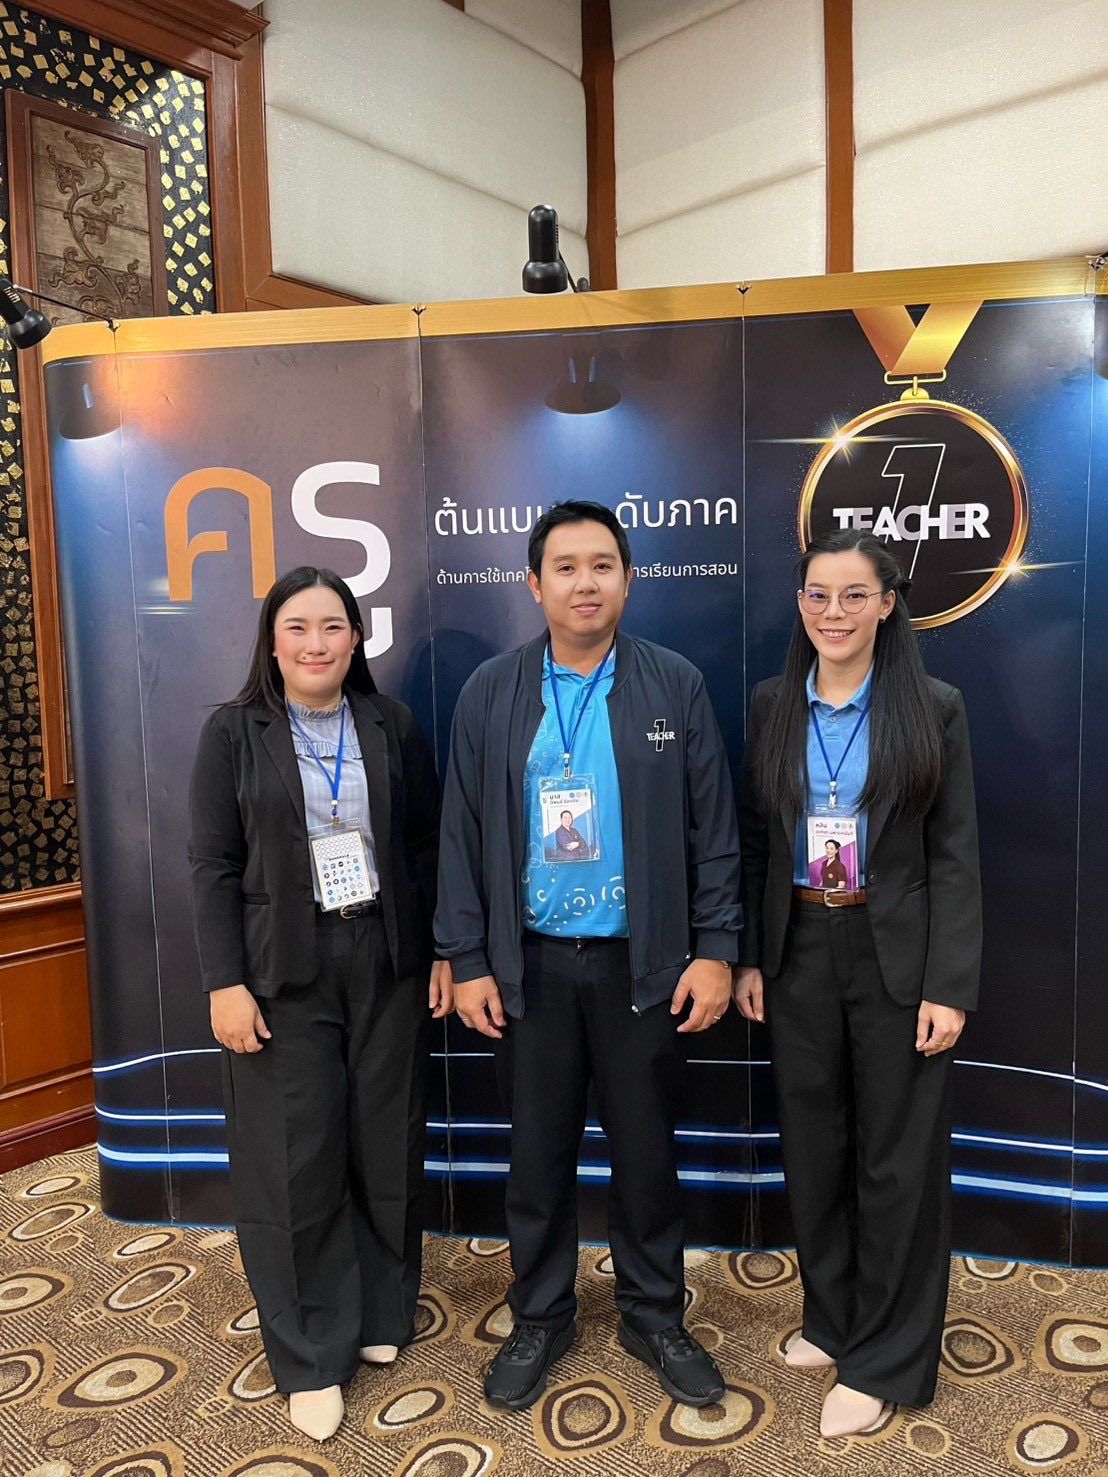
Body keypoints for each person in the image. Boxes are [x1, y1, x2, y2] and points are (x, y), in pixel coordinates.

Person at [435, 500, 741, 1412]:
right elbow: (460, 832)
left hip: (642, 968)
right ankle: (540, 1314)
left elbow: (715, 828)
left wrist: (717, 949)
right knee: (536, 1158)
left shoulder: (673, 683)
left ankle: (655, 1314)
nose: (584, 583)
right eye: (565, 567)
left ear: (628, 579)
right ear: (534, 584)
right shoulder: (491, 689)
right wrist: (467, 957)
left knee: (647, 1155)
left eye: (602, 565)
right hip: (527, 968)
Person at [188, 566, 451, 1443]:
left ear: (355, 638)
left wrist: (440, 951)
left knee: (386, 1138)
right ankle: (308, 1352)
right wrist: (225, 981)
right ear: (272, 642)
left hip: (385, 956)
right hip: (280, 971)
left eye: (332, 626)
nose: (315, 642)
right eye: (297, 627)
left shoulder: (389, 723)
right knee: (294, 1158)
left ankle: (380, 1309)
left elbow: (424, 844)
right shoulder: (233, 733)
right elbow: (212, 865)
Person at [734, 530, 981, 1438]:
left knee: (895, 1159)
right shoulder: (773, 704)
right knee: (815, 1146)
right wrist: (751, 955)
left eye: (852, 595)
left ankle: (885, 1357)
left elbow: (954, 855)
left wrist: (949, 984)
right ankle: (834, 1318)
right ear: (799, 602)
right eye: (817, 594)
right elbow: (757, 841)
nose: (832, 612)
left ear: (886, 603)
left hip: (897, 957)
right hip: (799, 946)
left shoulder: (933, 708)